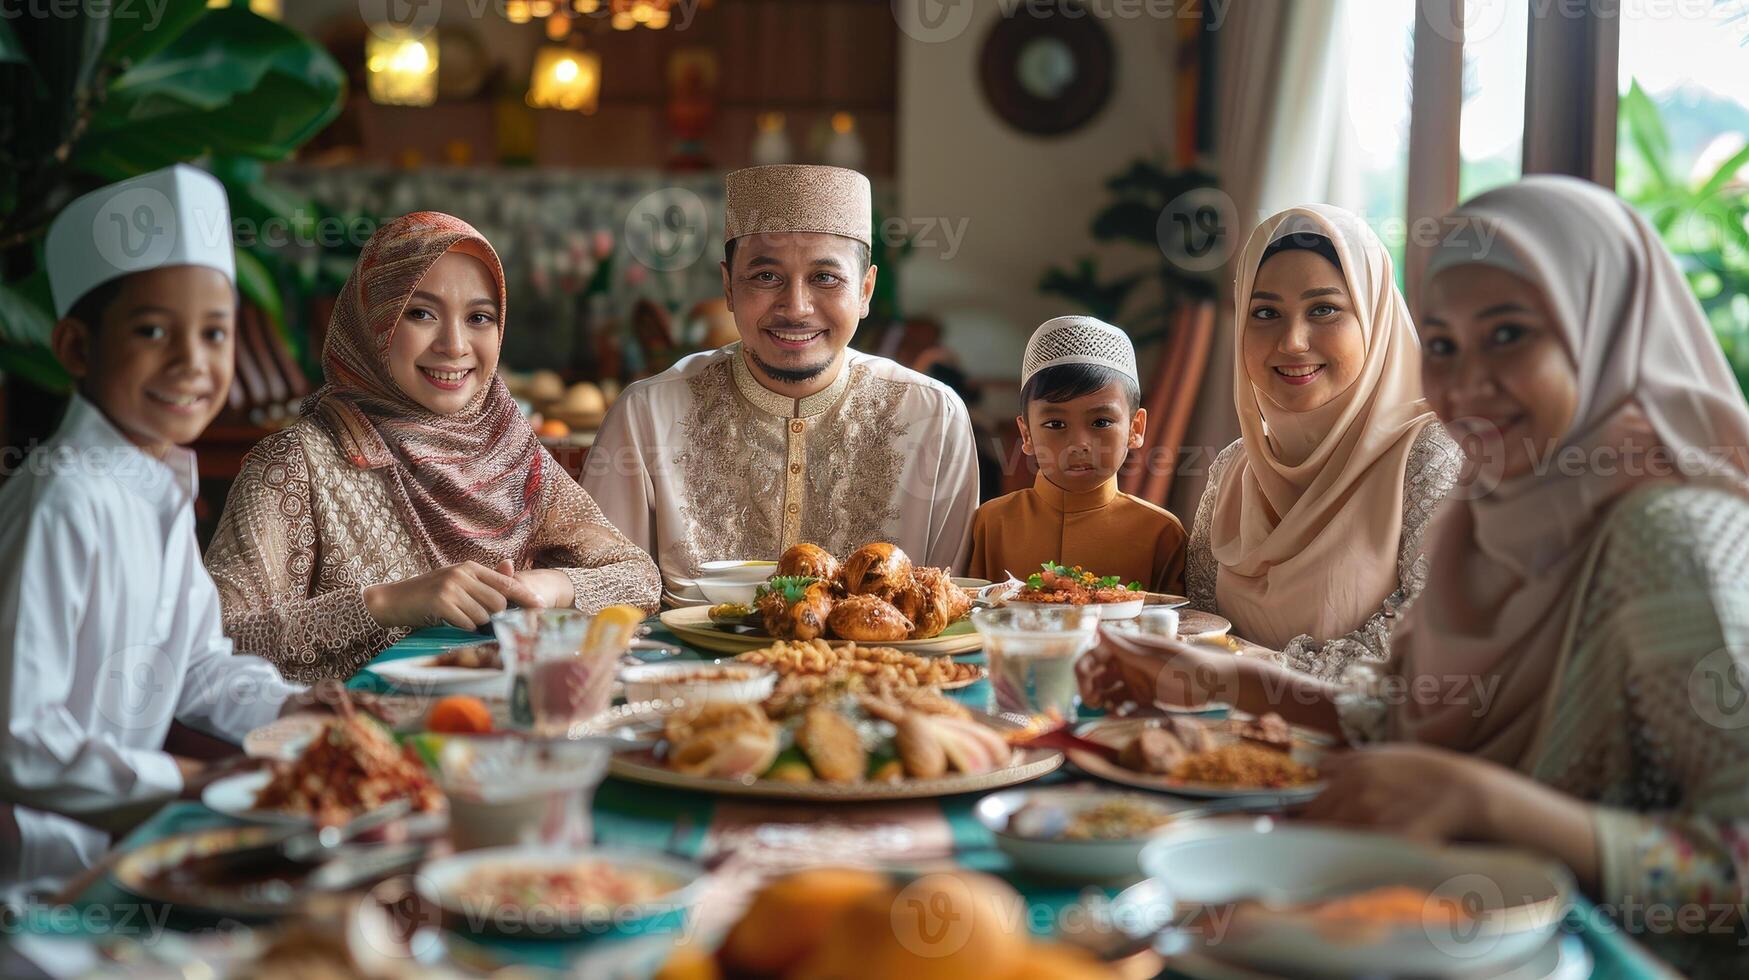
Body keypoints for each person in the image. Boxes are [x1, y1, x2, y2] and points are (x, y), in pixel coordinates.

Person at [1086, 177, 1749, 976]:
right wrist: (1222, 678)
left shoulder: (1667, 534)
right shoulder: (1490, 509)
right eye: (1441, 344)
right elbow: (1398, 716)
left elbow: (1734, 865)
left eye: (1508, 334)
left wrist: (1481, 799)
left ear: (1603, 326)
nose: (1466, 382)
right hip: (1438, 927)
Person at [0, 166, 300, 896]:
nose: (192, 363)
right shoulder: (64, 497)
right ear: (76, 348)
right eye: (152, 330)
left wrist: (296, 707)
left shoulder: (154, 482)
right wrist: (195, 781)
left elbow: (194, 667)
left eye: (214, 333)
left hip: (110, 858)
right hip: (29, 882)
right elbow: (16, 740)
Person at [205, 213, 659, 683]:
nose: (455, 344)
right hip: (350, 738)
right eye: (420, 313)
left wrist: (550, 585)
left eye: (479, 318)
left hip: (501, 730)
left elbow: (638, 577)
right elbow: (218, 637)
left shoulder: (510, 451)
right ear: (372, 320)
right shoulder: (294, 464)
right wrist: (388, 602)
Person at [583, 165, 979, 600]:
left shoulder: (933, 417)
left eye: (825, 278)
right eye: (766, 277)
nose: (796, 307)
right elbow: (603, 595)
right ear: (729, 287)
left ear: (865, 291)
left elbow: (944, 611)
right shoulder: (647, 415)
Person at [1184, 206, 1461, 678]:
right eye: (1265, 312)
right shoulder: (1235, 469)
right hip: (1224, 741)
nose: (1292, 341)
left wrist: (1258, 670)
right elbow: (1197, 625)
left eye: (1324, 309)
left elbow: (1426, 647)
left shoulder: (1431, 455)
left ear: (1374, 320)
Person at [966, 316, 1186, 592]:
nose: (1078, 444)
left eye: (1101, 422)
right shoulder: (991, 523)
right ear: (1027, 434)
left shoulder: (1161, 534)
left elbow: (1173, 629)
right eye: (1056, 424)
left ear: (1135, 428)